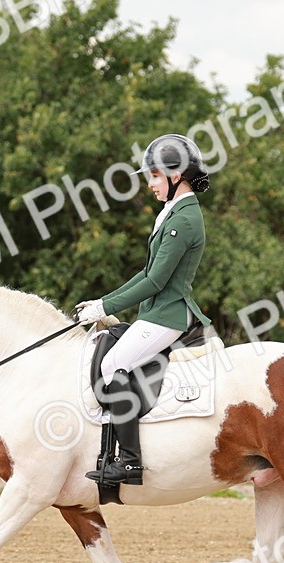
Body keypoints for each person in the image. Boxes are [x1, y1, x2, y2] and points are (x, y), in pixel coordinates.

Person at [75, 133, 212, 485]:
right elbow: (147, 272)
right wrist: (103, 302)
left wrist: (107, 305)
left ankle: (131, 462)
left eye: (154, 175)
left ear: (176, 175)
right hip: (156, 311)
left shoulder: (184, 219)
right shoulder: (173, 212)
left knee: (113, 363)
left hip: (169, 314)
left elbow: (155, 282)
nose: (150, 184)